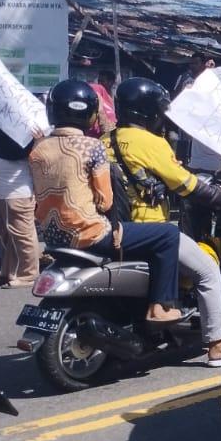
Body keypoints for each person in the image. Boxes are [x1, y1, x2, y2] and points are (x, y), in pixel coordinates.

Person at [29, 80, 183, 322]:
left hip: (52, 236)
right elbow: (105, 201)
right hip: (91, 235)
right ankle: (160, 306)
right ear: (91, 115)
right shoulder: (93, 146)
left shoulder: (38, 148)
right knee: (168, 235)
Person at [108, 78, 221, 365]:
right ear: (151, 113)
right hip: (150, 230)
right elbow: (186, 185)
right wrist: (220, 195)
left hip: (117, 229)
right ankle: (217, 344)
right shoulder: (152, 143)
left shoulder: (107, 139)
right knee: (207, 270)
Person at [0, 124, 40, 288]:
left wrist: (38, 140)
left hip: (18, 183)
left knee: (21, 230)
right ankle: (8, 271)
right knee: (3, 229)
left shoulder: (29, 115)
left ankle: (28, 274)